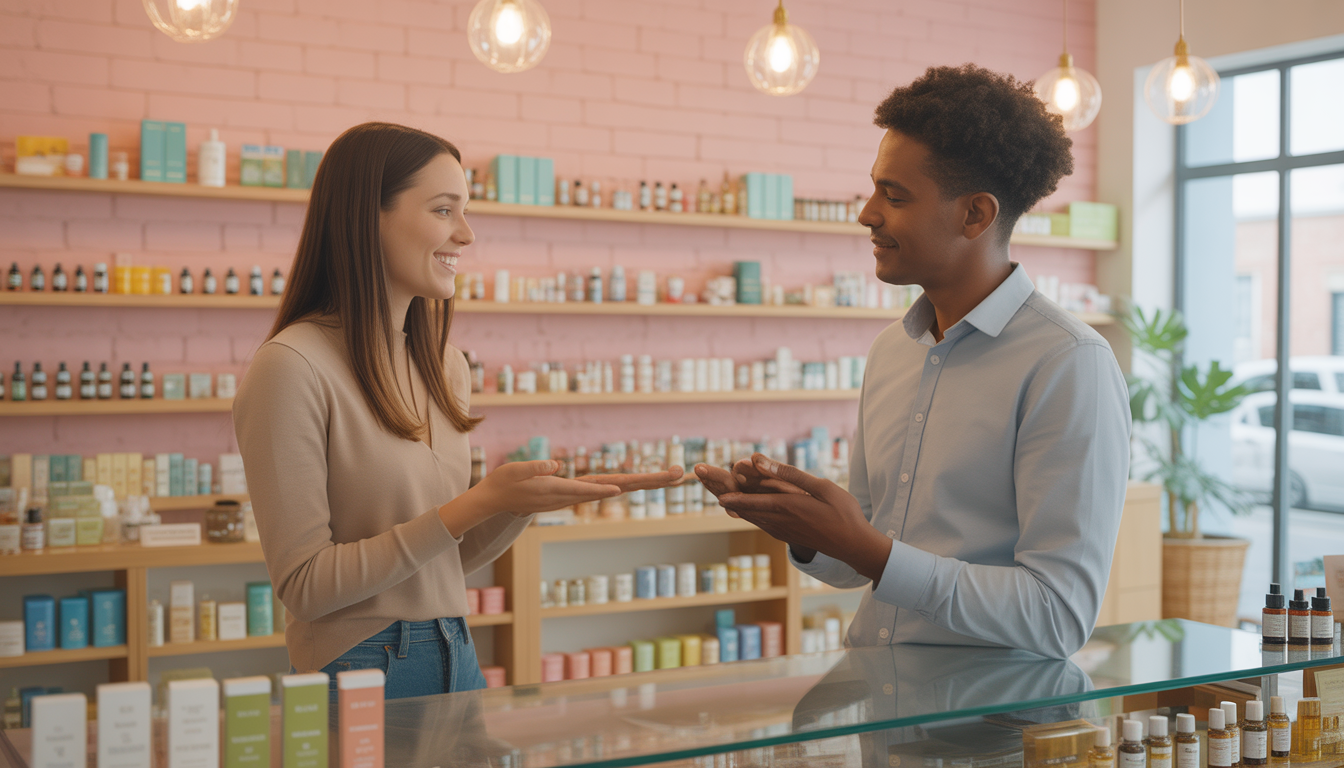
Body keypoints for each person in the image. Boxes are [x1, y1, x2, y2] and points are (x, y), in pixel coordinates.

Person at [695, 65, 1131, 660]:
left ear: (975, 215)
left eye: (894, 196)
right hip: (880, 704)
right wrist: (801, 526)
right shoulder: (891, 352)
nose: (867, 213)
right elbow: (859, 560)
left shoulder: (1068, 364)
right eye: (874, 188)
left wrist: (871, 551)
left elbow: (1057, 616)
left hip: (987, 733)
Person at [234, 122, 681, 698]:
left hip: (455, 650)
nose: (466, 235)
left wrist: (514, 507)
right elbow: (305, 585)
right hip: (358, 667)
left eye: (465, 211)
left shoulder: (444, 366)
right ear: (366, 216)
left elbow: (441, 559)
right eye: (444, 210)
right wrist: (472, 505)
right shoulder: (291, 366)